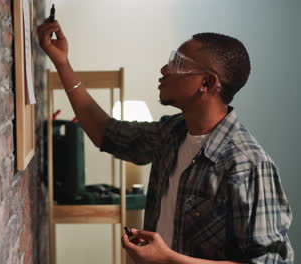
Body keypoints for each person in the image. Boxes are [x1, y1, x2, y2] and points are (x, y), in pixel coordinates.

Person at [37, 19, 293, 264]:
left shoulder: (248, 165)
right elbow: (107, 133)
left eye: (178, 63)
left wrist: (168, 259)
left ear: (208, 83)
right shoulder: (172, 132)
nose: (165, 69)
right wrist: (62, 63)